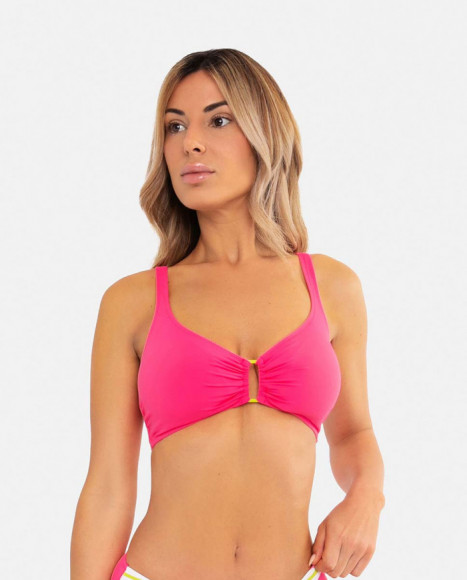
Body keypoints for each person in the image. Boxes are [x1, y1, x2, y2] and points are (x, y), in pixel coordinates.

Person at [70, 48, 385, 580]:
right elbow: (107, 484)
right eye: (174, 126)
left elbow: (353, 433)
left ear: (265, 135)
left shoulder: (333, 288)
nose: (190, 142)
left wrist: (366, 498)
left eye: (218, 120)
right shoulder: (132, 302)